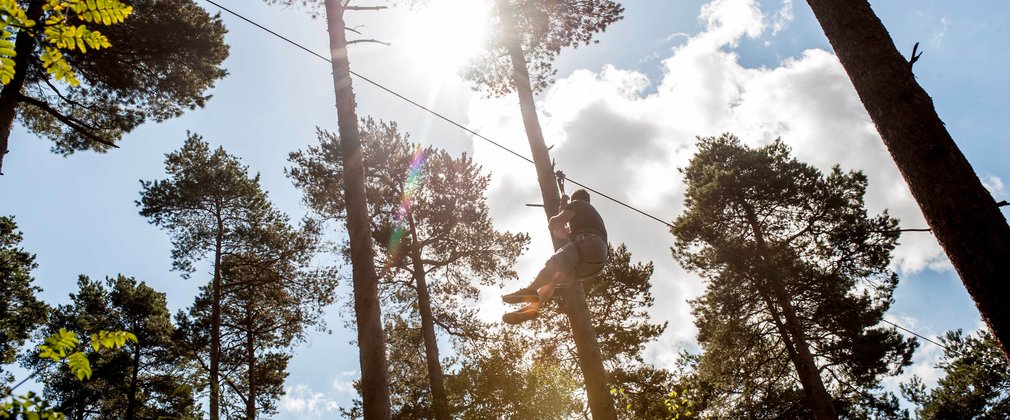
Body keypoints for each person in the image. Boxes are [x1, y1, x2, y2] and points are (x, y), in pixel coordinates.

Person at [502, 188, 608, 324]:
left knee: (554, 265)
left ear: (576, 199)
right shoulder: (590, 218)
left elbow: (553, 225)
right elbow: (560, 233)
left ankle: (531, 289)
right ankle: (533, 307)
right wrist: (564, 213)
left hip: (588, 242)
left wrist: (564, 204)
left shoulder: (578, 204)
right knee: (554, 278)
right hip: (595, 265)